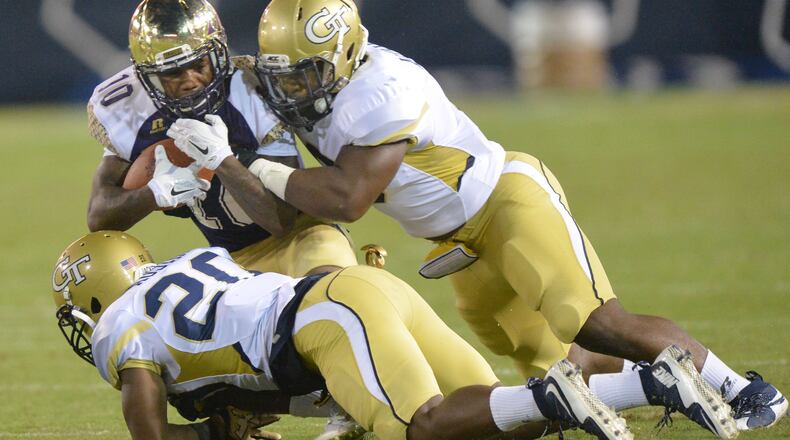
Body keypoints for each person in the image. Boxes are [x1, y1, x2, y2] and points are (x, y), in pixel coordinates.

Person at [165, 0, 786, 436]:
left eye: (307, 74)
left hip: (506, 206)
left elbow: (348, 199)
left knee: (597, 322)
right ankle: (662, 385)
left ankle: (743, 387)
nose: (294, 89)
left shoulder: (382, 94)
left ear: (347, 54)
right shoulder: (300, 71)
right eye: (285, 75)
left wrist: (247, 166)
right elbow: (223, 70)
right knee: (551, 379)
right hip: (454, 245)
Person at [51, 231, 634, 440]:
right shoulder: (195, 260)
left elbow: (150, 438)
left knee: (421, 427)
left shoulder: (119, 328)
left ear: (95, 295)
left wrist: (209, 434)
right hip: (354, 291)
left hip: (326, 320)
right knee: (490, 426)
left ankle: (556, 391)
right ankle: (643, 381)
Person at [83, 1, 360, 438]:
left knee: (331, 300)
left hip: (301, 237)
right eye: (172, 74)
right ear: (145, 76)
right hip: (227, 263)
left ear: (219, 53)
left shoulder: (252, 89)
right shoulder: (126, 105)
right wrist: (152, 194)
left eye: (199, 65)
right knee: (180, 356)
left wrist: (225, 162)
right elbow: (99, 215)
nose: (190, 80)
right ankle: (235, 422)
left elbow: (280, 219)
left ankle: (353, 399)